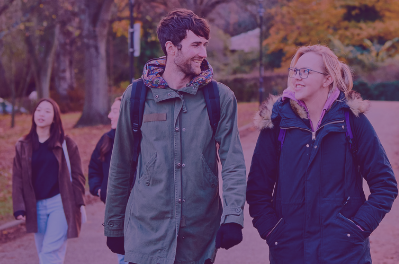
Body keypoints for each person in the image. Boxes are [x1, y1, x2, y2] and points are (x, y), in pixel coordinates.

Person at [103, 9, 247, 264]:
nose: (203, 53)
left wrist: (233, 217)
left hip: (198, 239)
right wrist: (114, 225)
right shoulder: (136, 96)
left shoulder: (220, 98)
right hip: (146, 235)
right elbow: (120, 164)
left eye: (204, 45)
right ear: (171, 47)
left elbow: (233, 163)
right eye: (195, 45)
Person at [247, 45, 398, 263]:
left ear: (327, 79)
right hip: (290, 253)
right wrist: (273, 232)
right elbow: (257, 189)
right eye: (295, 71)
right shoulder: (278, 123)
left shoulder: (351, 122)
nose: (297, 77)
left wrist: (356, 228)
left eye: (306, 72)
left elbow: (385, 184)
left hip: (344, 254)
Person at [12, 98, 86, 264]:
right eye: (39, 110)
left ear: (55, 118)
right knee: (47, 253)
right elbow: (17, 177)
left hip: (60, 204)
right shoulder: (23, 145)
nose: (42, 114)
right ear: (33, 114)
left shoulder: (66, 143)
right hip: (35, 206)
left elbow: (78, 175)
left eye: (47, 111)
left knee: (49, 252)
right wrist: (19, 207)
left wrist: (77, 201)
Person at [88, 97, 127, 264]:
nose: (110, 116)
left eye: (115, 111)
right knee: (122, 255)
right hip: (114, 209)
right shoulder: (106, 139)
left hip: (138, 209)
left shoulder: (141, 140)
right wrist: (99, 189)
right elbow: (94, 168)